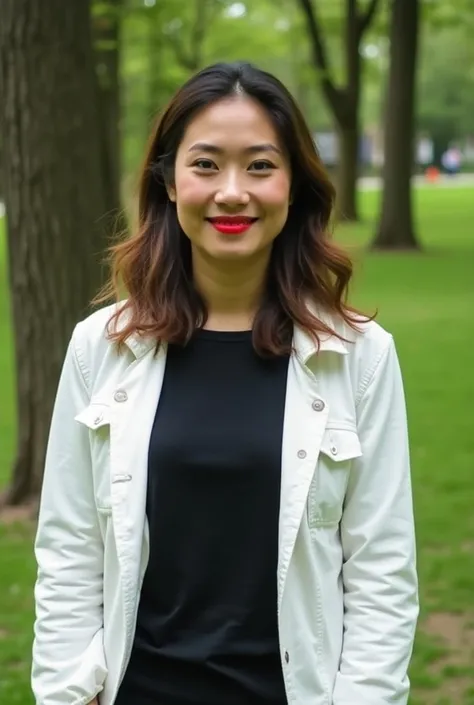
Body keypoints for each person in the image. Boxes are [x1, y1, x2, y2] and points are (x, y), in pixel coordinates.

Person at [31, 61, 419, 705]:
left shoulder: (360, 357)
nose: (232, 192)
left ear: (294, 186)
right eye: (206, 164)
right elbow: (70, 549)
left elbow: (382, 570)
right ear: (169, 182)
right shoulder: (100, 347)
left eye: (261, 166)